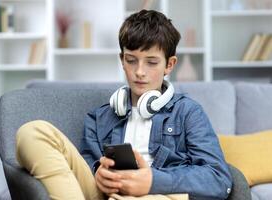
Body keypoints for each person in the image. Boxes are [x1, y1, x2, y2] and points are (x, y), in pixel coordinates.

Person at [16, 9, 232, 200]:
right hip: (103, 194)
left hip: (158, 194)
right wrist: (98, 174)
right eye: (131, 60)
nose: (139, 71)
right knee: (32, 132)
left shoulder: (188, 113)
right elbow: (86, 169)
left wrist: (153, 181)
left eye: (151, 62)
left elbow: (220, 180)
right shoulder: (99, 117)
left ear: (170, 64)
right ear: (122, 60)